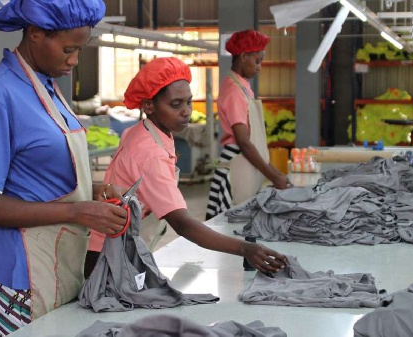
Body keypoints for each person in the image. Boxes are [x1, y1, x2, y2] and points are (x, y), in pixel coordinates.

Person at [0, 0, 127, 335]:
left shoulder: (46, 87)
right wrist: (78, 212)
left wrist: (95, 193)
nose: (74, 60)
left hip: (56, 259)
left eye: (80, 49)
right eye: (68, 49)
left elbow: (38, 180)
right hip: (14, 276)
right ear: (35, 33)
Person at [85, 57, 287, 278]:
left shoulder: (141, 131)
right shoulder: (150, 153)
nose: (186, 111)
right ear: (148, 105)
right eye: (175, 104)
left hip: (119, 247)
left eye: (189, 102)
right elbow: (183, 224)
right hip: (109, 257)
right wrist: (244, 249)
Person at [206, 29, 292, 220]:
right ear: (244, 56)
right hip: (239, 163)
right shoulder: (234, 90)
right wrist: (273, 176)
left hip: (247, 161)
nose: (260, 67)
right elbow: (244, 142)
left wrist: (275, 172)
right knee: (236, 222)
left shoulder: (243, 87)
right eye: (257, 61)